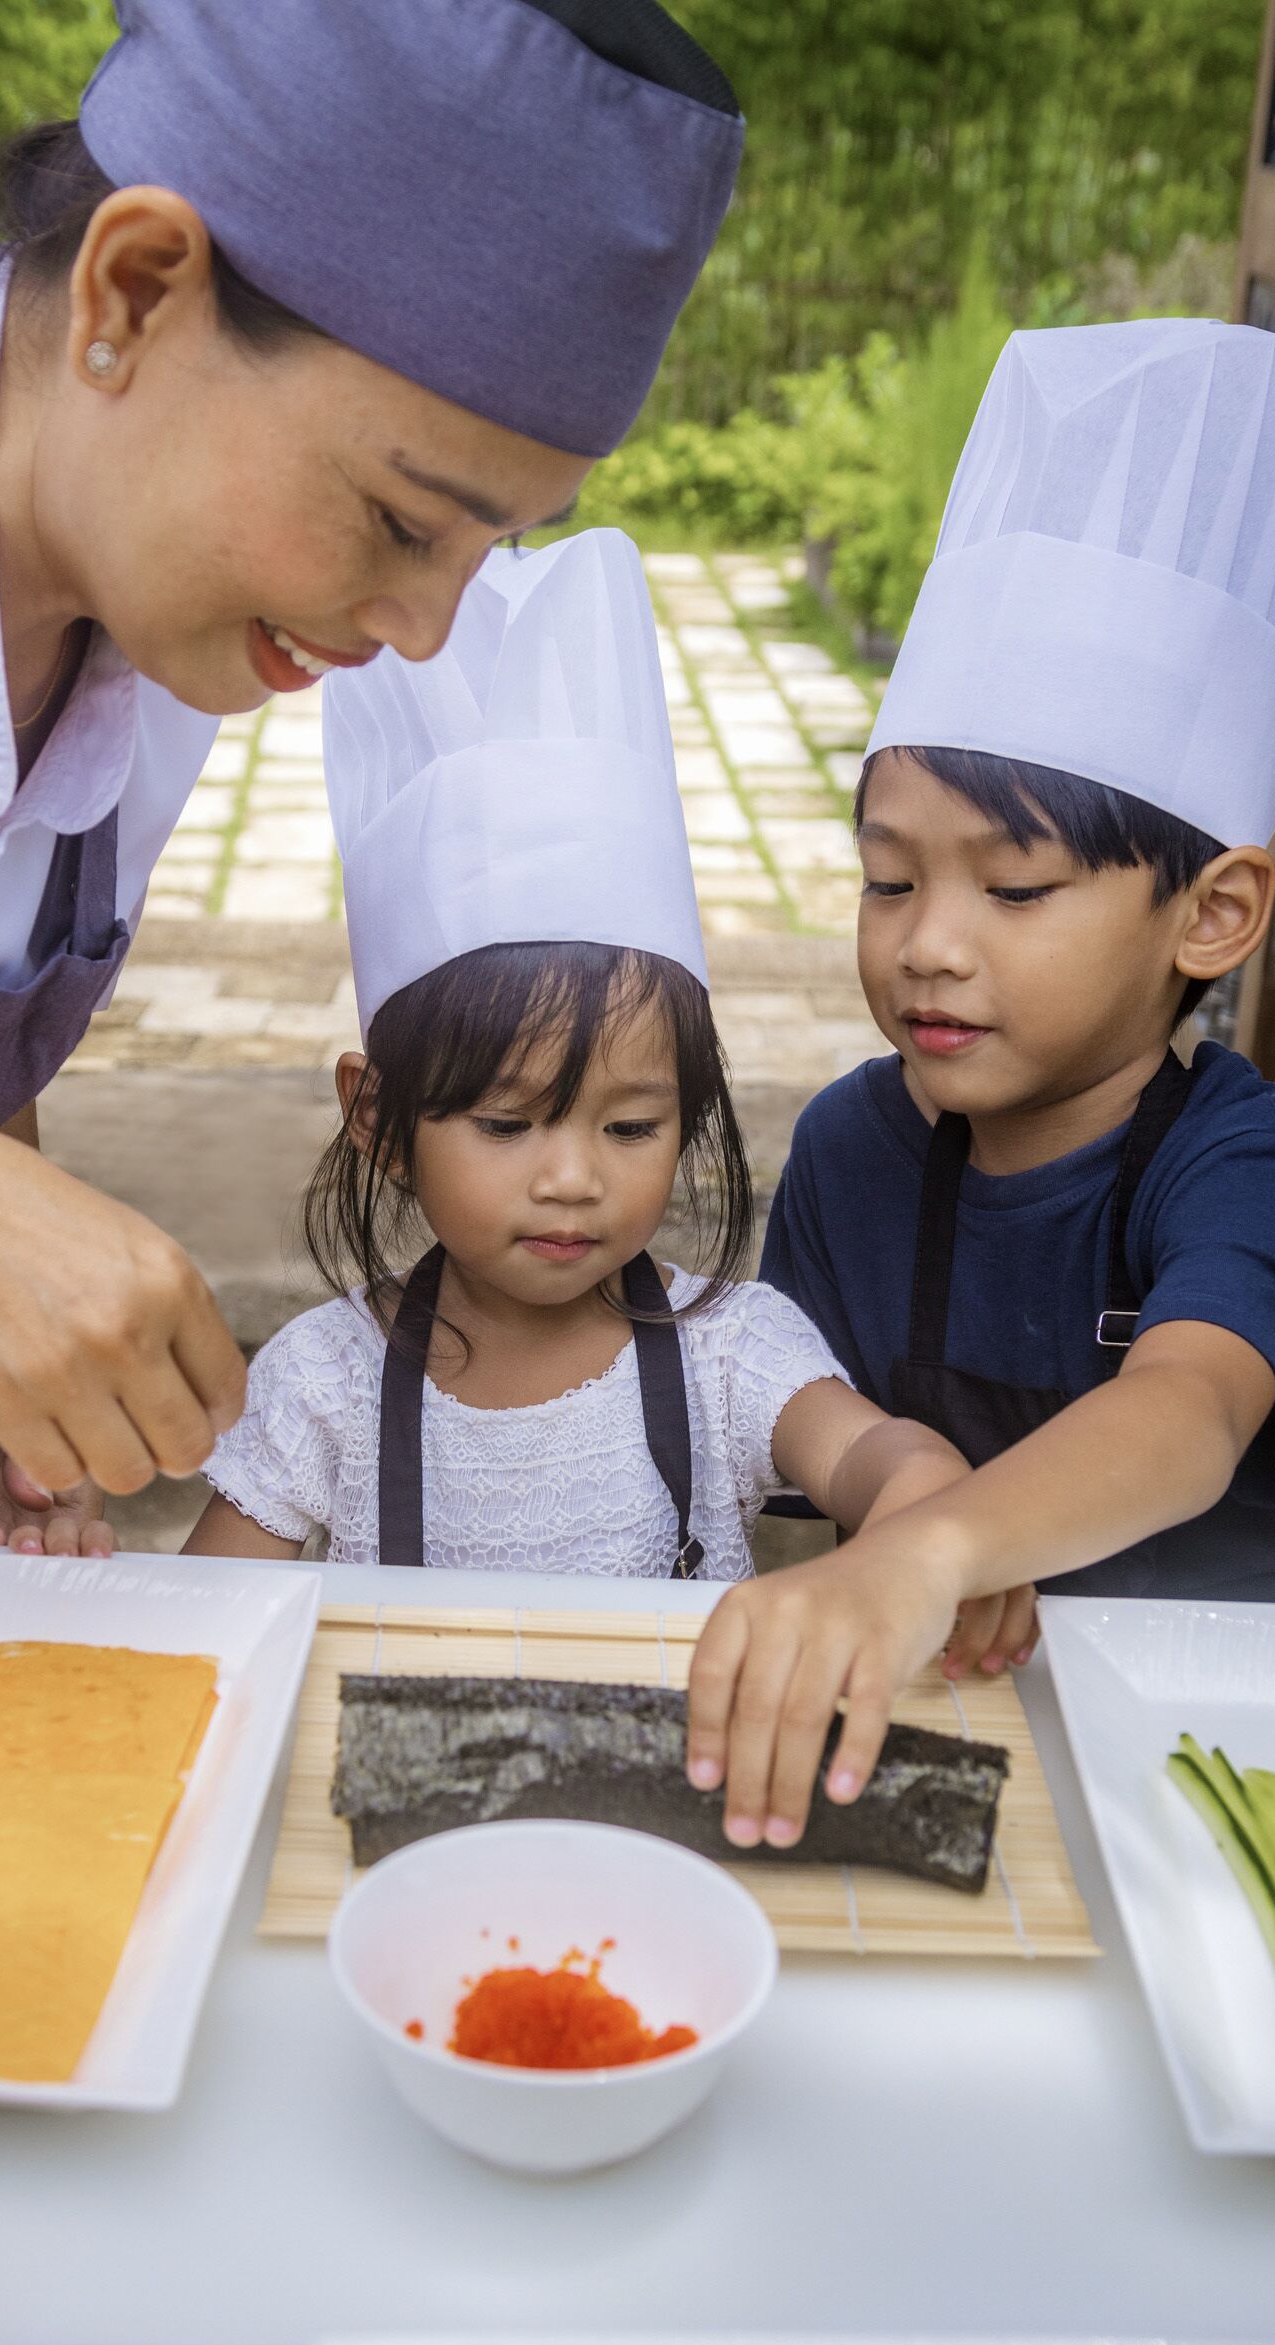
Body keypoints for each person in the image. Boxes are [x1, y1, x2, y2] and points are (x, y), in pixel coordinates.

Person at [0, 0, 743, 1578]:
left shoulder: (161, 616)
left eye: (485, 551)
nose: (416, 631)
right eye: (405, 523)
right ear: (133, 291)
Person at [683, 318, 1275, 1853]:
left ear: (1211, 914)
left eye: (1016, 891)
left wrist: (933, 1552)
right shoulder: (851, 1147)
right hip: (1029, 1717)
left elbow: (1180, 1414)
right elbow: (835, 1444)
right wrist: (896, 1548)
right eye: (887, 881)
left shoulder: (1229, 1157)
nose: (930, 949)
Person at [185, 530, 1021, 1616]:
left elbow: (864, 1454)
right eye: (507, 1124)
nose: (574, 1178)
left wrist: (921, 1488)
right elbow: (188, 1614)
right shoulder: (321, 1388)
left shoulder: (731, 1351)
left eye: (630, 1129)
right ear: (381, 1121)